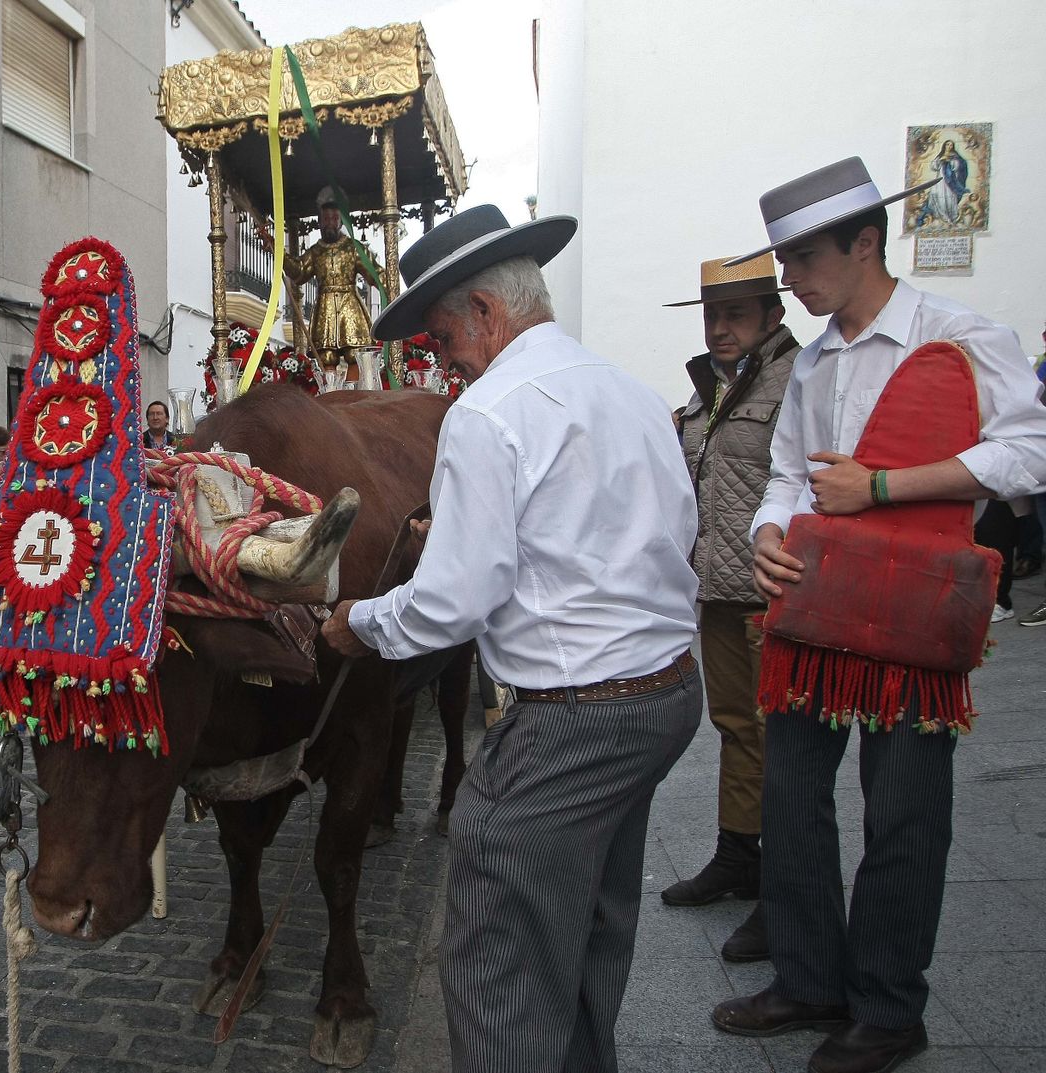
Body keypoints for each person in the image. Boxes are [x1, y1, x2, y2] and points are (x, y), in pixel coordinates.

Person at [319, 205, 702, 1072]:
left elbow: (449, 608)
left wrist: (360, 623)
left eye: (444, 334)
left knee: (501, 957)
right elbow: (636, 539)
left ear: (488, 313)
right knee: (592, 929)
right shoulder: (632, 392)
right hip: (667, 694)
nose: (440, 356)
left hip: (573, 722)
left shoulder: (487, 413)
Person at [713, 157, 1046, 1073]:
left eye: (805, 257)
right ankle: (812, 976)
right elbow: (788, 472)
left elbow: (1029, 452)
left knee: (903, 806)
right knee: (792, 792)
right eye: (784, 258)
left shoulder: (963, 335)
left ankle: (892, 1006)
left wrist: (885, 486)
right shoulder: (813, 361)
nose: (789, 278)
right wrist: (772, 531)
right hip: (818, 609)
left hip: (913, 614)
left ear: (867, 242)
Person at [661, 253, 800, 963]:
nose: (720, 328)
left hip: (774, 591)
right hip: (716, 587)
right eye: (713, 315)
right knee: (736, 725)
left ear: (772, 317)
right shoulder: (705, 388)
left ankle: (787, 887)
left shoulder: (796, 379)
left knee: (782, 739)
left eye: (736, 315)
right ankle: (738, 854)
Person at [258, 186, 384, 374]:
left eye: (334, 218)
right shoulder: (316, 251)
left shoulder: (353, 248)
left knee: (355, 353)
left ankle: (353, 396)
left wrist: (387, 285)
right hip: (325, 307)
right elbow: (299, 271)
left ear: (341, 221)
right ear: (319, 222)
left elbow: (374, 273)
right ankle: (330, 396)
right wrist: (277, 250)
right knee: (326, 356)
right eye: (326, 219)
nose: (330, 223)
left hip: (349, 304)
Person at [912, 139, 968, 230]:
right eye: (947, 145)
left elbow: (957, 167)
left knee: (950, 197)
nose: (949, 146)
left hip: (950, 181)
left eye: (951, 145)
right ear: (944, 146)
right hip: (940, 180)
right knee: (937, 195)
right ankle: (941, 217)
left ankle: (951, 217)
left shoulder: (955, 157)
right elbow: (934, 166)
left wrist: (950, 161)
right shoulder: (940, 156)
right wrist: (941, 160)